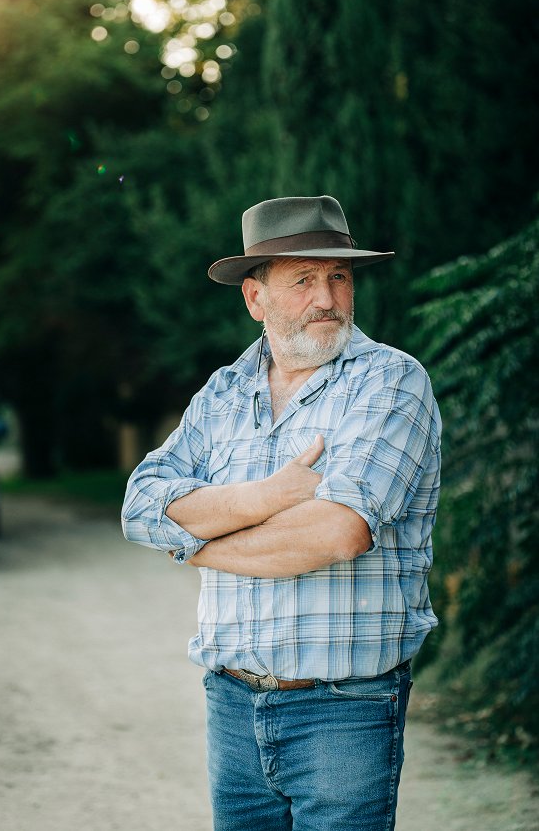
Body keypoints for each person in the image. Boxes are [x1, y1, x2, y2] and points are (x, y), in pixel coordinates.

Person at [122, 195, 441, 831]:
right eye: (303, 279)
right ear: (255, 298)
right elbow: (140, 505)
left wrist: (193, 538)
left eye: (339, 277)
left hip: (345, 710)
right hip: (231, 703)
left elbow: (337, 531)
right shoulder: (223, 394)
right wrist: (270, 497)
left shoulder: (390, 383)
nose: (326, 298)